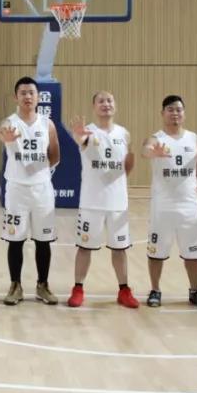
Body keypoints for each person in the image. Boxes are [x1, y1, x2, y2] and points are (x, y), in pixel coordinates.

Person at [67, 90, 139, 309]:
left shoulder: (124, 133)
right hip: (92, 202)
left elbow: (128, 163)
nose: (106, 104)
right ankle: (78, 288)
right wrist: (78, 136)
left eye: (109, 100)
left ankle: (124, 290)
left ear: (115, 105)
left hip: (118, 203)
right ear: (94, 107)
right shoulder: (88, 132)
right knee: (85, 247)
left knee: (120, 248)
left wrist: (119, 179)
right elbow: (81, 140)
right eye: (101, 101)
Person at [142, 95, 197, 309]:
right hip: (162, 207)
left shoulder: (195, 139)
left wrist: (189, 188)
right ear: (162, 113)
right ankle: (155, 290)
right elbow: (145, 151)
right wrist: (152, 152)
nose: (175, 113)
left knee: (193, 252)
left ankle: (194, 291)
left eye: (179, 109)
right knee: (157, 252)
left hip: (189, 206)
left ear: (184, 113)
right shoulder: (155, 138)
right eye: (170, 109)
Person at [0, 76, 60, 306]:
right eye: (23, 93)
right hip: (16, 190)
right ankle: (15, 285)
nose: (27, 96)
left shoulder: (47, 124)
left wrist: (38, 170)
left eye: (31, 92)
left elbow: (55, 154)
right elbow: (2, 134)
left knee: (44, 240)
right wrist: (6, 138)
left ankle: (42, 285)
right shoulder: (9, 123)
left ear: (38, 97)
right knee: (15, 239)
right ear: (16, 97)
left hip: (42, 190)